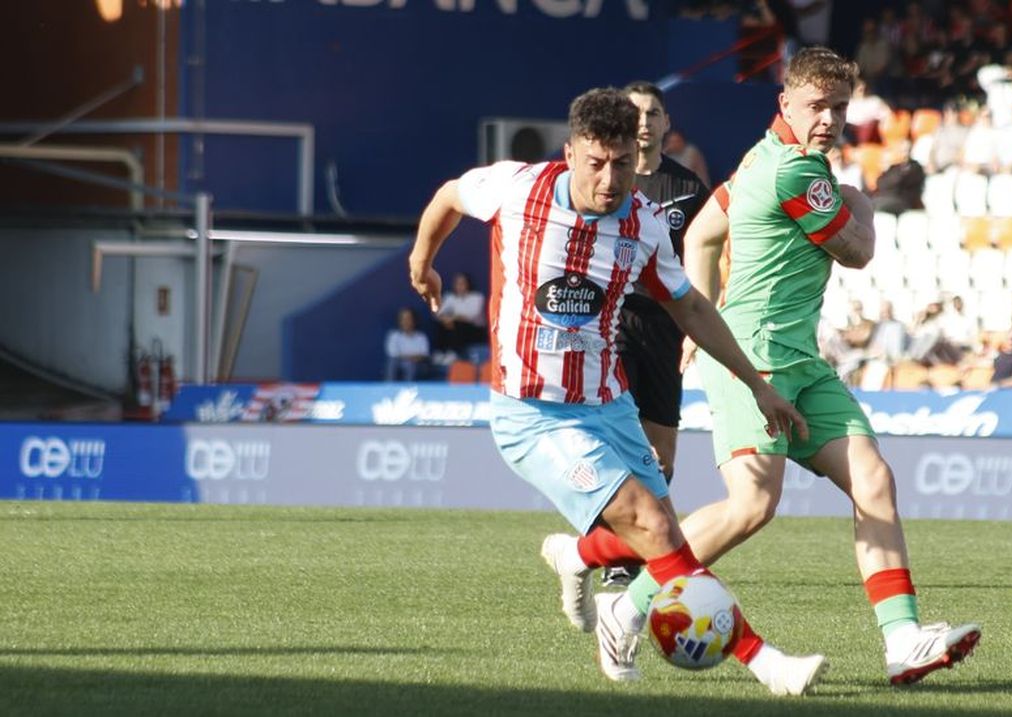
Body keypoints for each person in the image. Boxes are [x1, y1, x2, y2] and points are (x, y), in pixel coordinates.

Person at [408, 87, 822, 694]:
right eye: (596, 163)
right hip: (532, 413)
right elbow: (449, 195)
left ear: (638, 154)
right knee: (652, 525)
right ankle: (766, 663)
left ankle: (577, 555)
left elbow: (692, 309)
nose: (610, 179)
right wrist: (423, 260)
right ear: (571, 152)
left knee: (665, 537)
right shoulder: (516, 189)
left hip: (610, 404)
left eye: (623, 163)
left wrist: (757, 387)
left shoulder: (644, 225)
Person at [678, 48, 980, 684]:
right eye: (818, 105)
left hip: (800, 361)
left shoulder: (757, 161)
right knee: (751, 506)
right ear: (785, 102)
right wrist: (860, 201)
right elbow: (860, 250)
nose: (830, 119)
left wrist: (695, 315)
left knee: (873, 478)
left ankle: (903, 642)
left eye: (840, 107)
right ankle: (631, 594)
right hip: (751, 359)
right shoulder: (794, 174)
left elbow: (702, 234)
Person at [598, 81, 711, 588]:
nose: (644, 121)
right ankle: (617, 560)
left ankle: (634, 547)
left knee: (660, 454)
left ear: (667, 123)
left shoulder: (688, 187)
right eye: (636, 112)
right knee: (622, 441)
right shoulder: (606, 182)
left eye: (654, 113)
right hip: (615, 322)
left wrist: (694, 329)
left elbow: (705, 261)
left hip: (666, 328)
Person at [434, 272, 486, 363]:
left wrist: (453, 318)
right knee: (442, 324)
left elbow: (471, 316)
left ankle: (454, 354)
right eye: (457, 283)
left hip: (474, 330)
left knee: (457, 324)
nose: (460, 286)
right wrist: (445, 319)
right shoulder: (450, 298)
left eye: (462, 283)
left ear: (468, 284)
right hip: (454, 325)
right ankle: (441, 353)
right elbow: (438, 313)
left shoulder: (477, 297)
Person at [384, 307, 430, 381]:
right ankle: (389, 388)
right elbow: (393, 354)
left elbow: (423, 355)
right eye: (403, 319)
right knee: (392, 363)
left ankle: (408, 390)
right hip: (398, 363)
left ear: (414, 320)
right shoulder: (394, 335)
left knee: (410, 365)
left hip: (416, 365)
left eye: (408, 318)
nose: (406, 321)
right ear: (399, 321)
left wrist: (406, 357)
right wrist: (411, 357)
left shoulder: (421, 337)